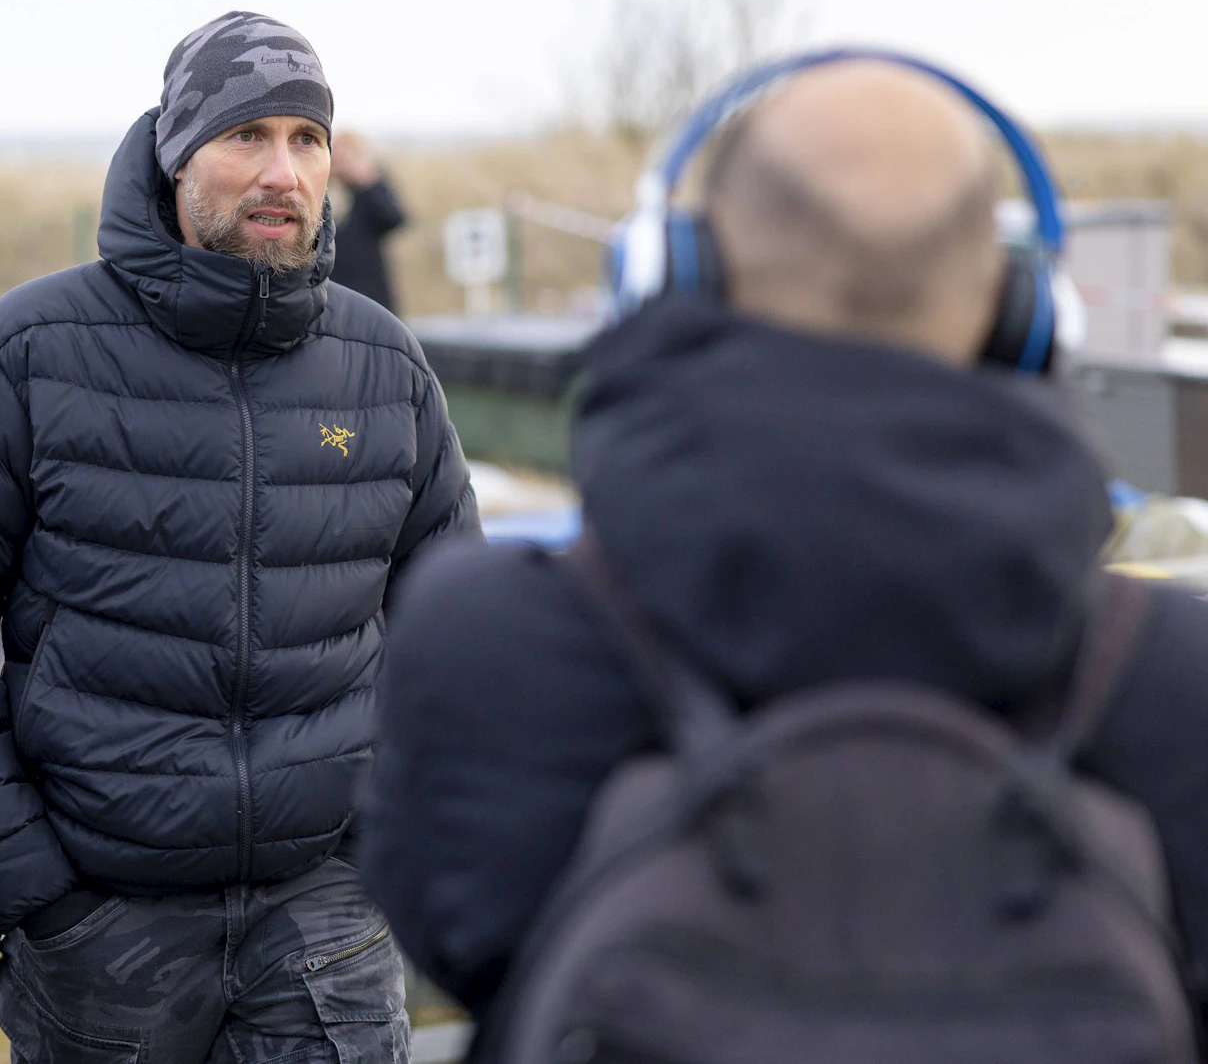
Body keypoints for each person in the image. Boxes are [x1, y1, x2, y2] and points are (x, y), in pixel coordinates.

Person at [362, 60, 1208, 1041]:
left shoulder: (487, 638)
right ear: (1022, 312)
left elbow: (451, 926)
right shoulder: (1169, 677)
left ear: (669, 271)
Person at [0, 10, 479, 1062]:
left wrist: (387, 857)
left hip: (325, 920)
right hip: (101, 931)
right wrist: (34, 891)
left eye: (305, 138)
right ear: (175, 152)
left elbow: (453, 632)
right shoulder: (34, 350)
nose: (280, 170)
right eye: (246, 135)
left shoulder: (382, 367)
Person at [328, 131, 407, 311]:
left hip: (372, 296)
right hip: (332, 296)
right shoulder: (322, 193)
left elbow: (395, 219)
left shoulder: (369, 189)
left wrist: (365, 179)